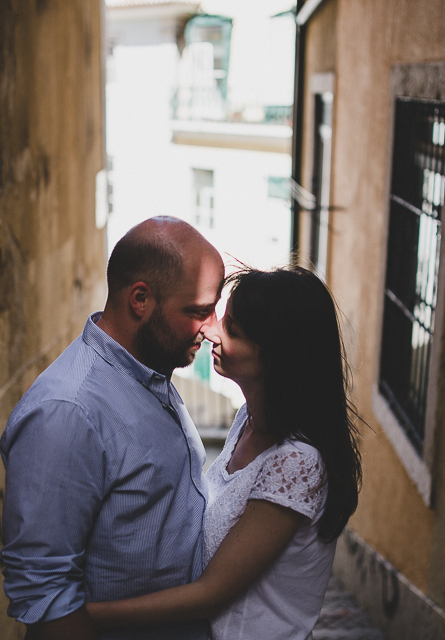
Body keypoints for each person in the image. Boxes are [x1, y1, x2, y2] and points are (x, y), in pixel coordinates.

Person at [87, 265, 363, 640]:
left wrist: (84, 616)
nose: (211, 331)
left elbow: (210, 595)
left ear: (275, 355)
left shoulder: (296, 463)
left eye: (231, 329)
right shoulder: (249, 418)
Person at [0, 216, 225, 640]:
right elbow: (46, 595)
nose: (213, 329)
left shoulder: (148, 370)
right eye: (198, 311)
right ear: (140, 299)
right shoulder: (67, 412)